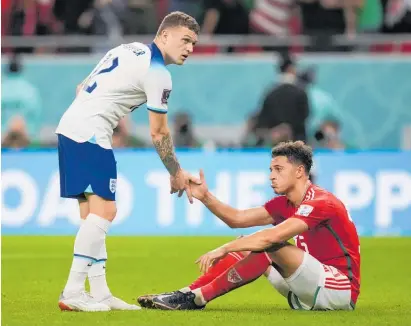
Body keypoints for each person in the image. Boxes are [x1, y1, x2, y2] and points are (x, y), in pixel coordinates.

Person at [55, 11, 201, 312]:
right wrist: (175, 172)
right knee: (106, 210)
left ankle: (99, 292)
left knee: (91, 214)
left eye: (194, 44)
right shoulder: (159, 72)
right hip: (91, 134)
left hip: (70, 127)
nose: (189, 48)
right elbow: (158, 131)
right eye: (185, 40)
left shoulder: (127, 48)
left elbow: (81, 87)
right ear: (164, 36)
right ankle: (71, 291)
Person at [138, 141, 361, 311]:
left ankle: (198, 299)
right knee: (246, 244)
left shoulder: (321, 202)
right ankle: (184, 294)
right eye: (271, 170)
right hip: (307, 287)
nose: (271, 176)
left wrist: (224, 249)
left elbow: (270, 238)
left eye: (278, 169)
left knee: (269, 245)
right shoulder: (285, 204)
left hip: (338, 289)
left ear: (300, 171)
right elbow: (237, 219)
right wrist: (205, 196)